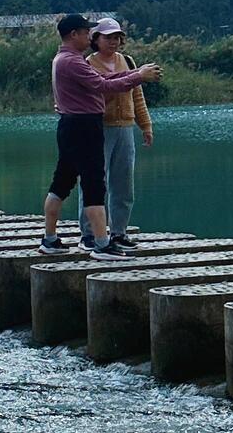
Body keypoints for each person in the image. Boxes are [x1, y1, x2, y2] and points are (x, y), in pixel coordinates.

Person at [43, 13, 160, 255]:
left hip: (73, 126)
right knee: (94, 184)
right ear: (74, 34)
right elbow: (103, 85)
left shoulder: (65, 59)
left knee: (62, 183)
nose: (89, 37)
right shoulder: (74, 62)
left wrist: (133, 74)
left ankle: (50, 239)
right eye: (87, 33)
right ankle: (99, 243)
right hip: (84, 127)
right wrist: (138, 76)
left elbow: (104, 79)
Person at [78, 15, 153, 249]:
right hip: (99, 128)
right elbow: (94, 96)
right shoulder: (88, 65)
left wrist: (146, 125)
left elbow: (137, 96)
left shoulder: (128, 61)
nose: (114, 42)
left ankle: (119, 232)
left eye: (118, 37)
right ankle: (89, 234)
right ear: (96, 39)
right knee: (94, 182)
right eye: (108, 37)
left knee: (123, 183)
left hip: (125, 128)